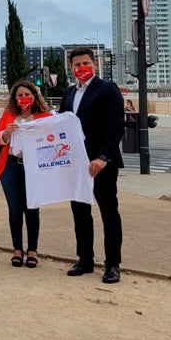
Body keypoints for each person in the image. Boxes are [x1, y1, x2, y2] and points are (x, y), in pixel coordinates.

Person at [61, 47, 125, 284]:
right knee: (80, 213)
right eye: (77, 65)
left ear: (94, 64)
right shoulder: (69, 92)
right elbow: (62, 125)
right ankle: (85, 259)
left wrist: (103, 157)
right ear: (71, 68)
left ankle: (113, 264)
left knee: (109, 213)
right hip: (76, 164)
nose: (81, 68)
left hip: (101, 163)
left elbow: (116, 125)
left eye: (85, 63)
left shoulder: (107, 89)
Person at [0, 80, 53, 268]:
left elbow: (53, 139)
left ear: (34, 96)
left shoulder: (45, 116)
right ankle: (17, 249)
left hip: (34, 168)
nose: (23, 98)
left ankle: (32, 250)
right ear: (14, 98)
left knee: (32, 208)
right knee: (15, 210)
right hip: (10, 167)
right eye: (20, 95)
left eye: (27, 94)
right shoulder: (9, 114)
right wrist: (6, 133)